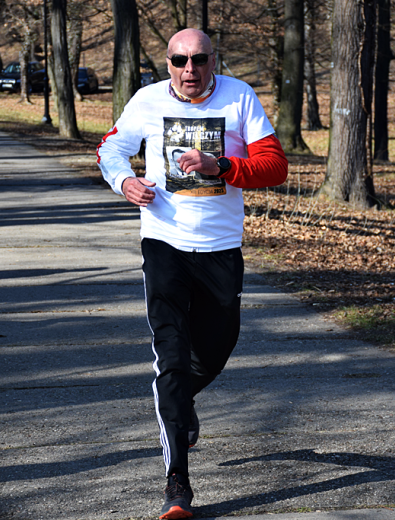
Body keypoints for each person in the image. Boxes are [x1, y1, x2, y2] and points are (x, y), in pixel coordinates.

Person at [96, 28, 288, 520]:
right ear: (168, 62)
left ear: (212, 60)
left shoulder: (239, 97)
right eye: (180, 60)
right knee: (172, 357)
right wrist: (125, 181)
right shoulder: (147, 100)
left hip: (221, 248)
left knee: (218, 347)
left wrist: (221, 165)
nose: (189, 69)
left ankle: (178, 402)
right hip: (164, 243)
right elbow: (111, 150)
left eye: (199, 60)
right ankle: (177, 483)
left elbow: (275, 167)